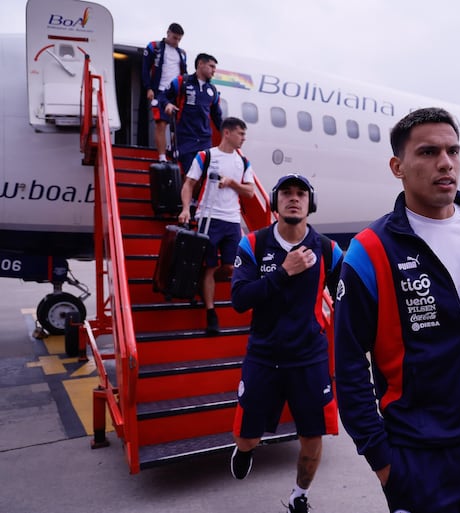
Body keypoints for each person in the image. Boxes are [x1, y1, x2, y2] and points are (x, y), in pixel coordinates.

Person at [333, 107, 460, 513]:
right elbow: (348, 362)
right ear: (398, 167)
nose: (445, 162)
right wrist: (382, 459)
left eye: (453, 151)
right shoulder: (370, 251)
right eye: (427, 152)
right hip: (419, 456)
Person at [229, 173, 344, 513]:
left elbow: (346, 299)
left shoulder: (328, 250)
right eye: (287, 193)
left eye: (301, 194)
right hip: (263, 356)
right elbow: (239, 299)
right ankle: (246, 450)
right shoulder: (254, 244)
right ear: (276, 202)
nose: (294, 198)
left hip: (309, 359)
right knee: (248, 436)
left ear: (311, 204)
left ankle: (298, 495)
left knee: (312, 439)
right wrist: (283, 271)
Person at [178, 117, 255, 334]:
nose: (243, 139)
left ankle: (202, 283)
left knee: (232, 267)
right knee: (210, 266)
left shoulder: (243, 161)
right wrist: (185, 209)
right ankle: (211, 313)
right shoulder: (206, 155)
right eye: (240, 134)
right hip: (208, 217)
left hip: (232, 219)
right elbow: (189, 183)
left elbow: (249, 192)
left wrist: (231, 183)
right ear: (227, 133)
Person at [160, 52, 223, 176]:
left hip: (204, 140)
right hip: (185, 138)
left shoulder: (213, 90)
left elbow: (217, 117)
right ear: (200, 64)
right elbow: (162, 96)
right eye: (211, 66)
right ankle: (187, 195)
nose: (214, 71)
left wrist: (226, 133)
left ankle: (194, 196)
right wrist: (167, 104)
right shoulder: (182, 81)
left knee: (204, 176)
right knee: (190, 174)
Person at [141, 22, 187, 162]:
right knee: (161, 123)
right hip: (160, 91)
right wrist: (148, 87)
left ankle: (172, 149)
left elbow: (184, 73)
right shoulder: (154, 47)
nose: (176, 41)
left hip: (177, 93)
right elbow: (145, 68)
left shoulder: (182, 54)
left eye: (179, 39)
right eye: (174, 38)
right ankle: (162, 157)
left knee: (179, 124)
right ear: (168, 33)